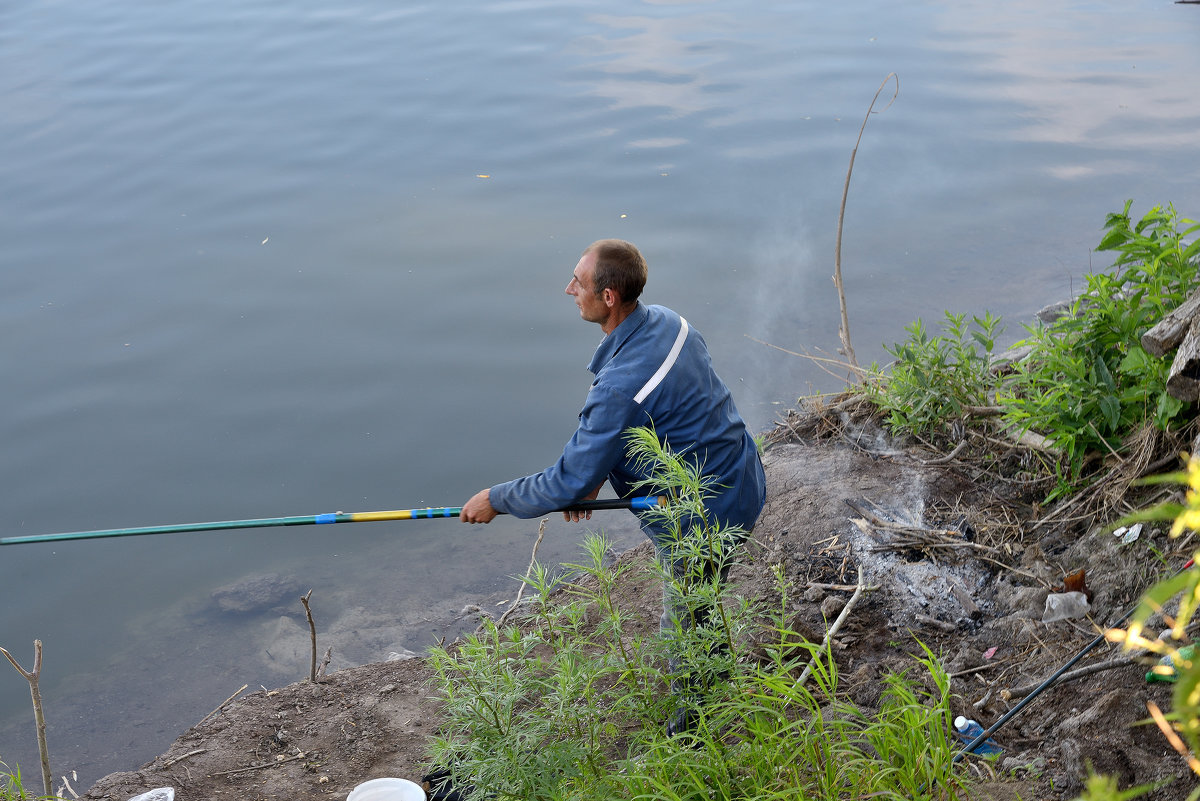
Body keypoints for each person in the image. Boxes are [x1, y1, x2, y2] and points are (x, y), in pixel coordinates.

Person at [460, 238, 766, 734]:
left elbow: (566, 480)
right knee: (701, 603)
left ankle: (694, 737)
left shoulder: (620, 386)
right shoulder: (669, 322)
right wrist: (600, 472)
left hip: (705, 510)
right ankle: (714, 695)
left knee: (686, 621)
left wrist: (496, 499)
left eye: (577, 283)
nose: (568, 290)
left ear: (607, 298)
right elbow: (665, 411)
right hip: (742, 473)